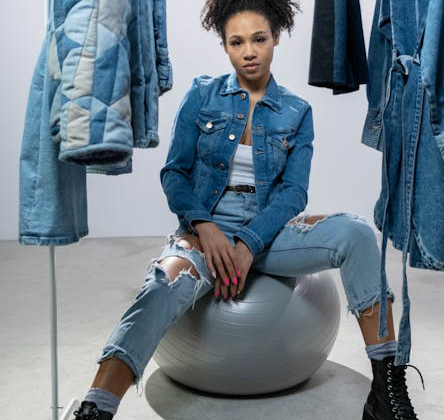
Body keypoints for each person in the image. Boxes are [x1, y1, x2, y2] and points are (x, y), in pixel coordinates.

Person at [71, 1, 423, 419]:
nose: (249, 51)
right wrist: (206, 227)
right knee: (162, 284)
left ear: (276, 37)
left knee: (358, 233)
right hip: (206, 231)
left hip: (270, 230)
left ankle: (387, 392)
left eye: (259, 39)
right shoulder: (202, 95)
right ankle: (96, 408)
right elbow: (174, 174)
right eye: (236, 42)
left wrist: (250, 243)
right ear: (225, 46)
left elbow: (293, 193)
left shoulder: (297, 112)